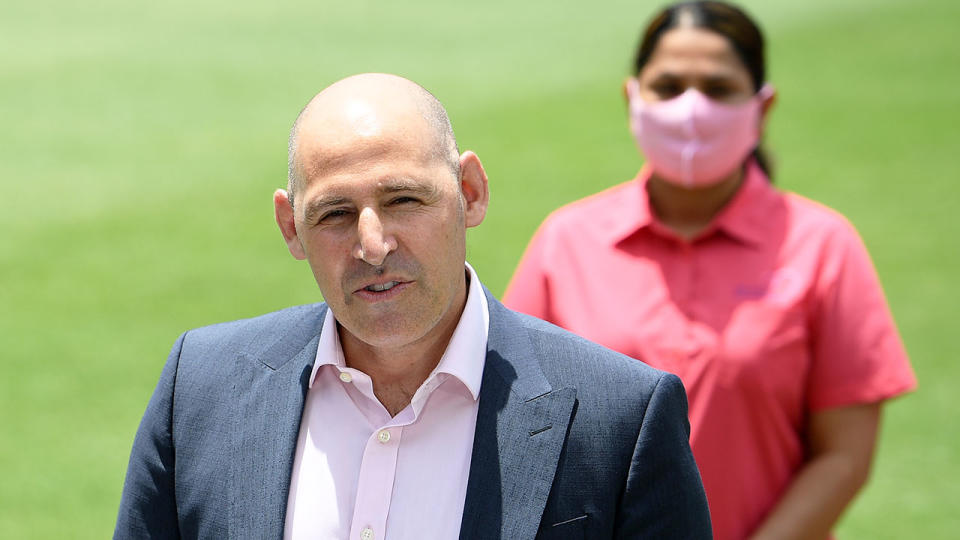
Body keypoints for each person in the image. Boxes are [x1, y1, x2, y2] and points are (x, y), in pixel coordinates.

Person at [114, 73, 712, 539]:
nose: (372, 245)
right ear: (290, 228)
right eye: (334, 214)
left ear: (469, 192)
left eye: (403, 199)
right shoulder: (198, 388)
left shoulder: (622, 418)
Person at [503, 2, 917, 539]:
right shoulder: (567, 239)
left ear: (763, 108)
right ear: (633, 96)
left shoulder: (823, 245)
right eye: (669, 86)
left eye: (718, 88)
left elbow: (844, 456)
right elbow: (516, 421)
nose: (691, 108)